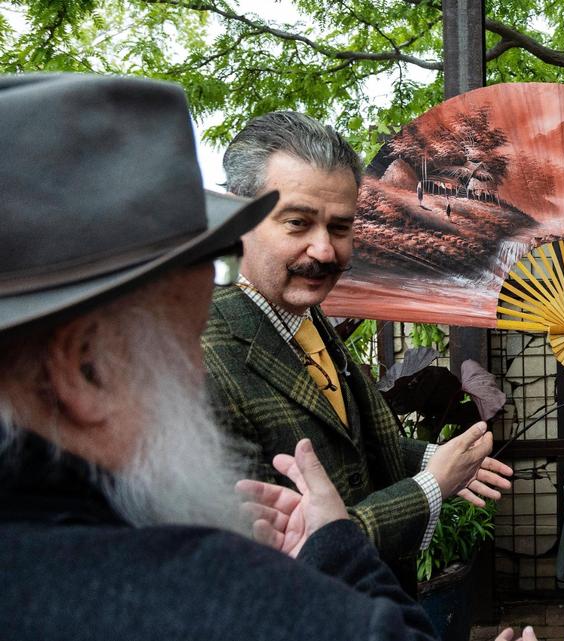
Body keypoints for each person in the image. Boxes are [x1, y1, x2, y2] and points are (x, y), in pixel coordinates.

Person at [0, 72, 445, 640]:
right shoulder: (199, 596)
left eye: (340, 226)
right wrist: (416, 495)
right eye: (182, 347)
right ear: (86, 367)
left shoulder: (318, 329)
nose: (324, 249)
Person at [202, 111, 513, 593]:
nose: (324, 251)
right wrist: (431, 487)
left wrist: (432, 455)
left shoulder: (305, 315)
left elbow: (348, 449)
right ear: (233, 220)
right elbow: (286, 552)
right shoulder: (204, 360)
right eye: (297, 223)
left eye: (340, 227)